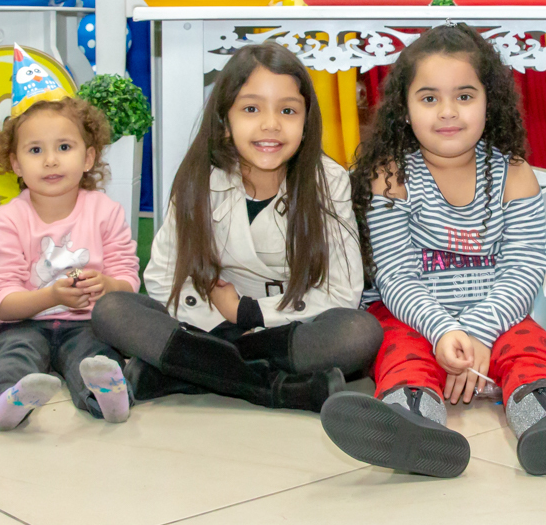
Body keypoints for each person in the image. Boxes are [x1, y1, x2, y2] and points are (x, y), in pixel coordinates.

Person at [320, 24, 546, 478]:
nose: (448, 112)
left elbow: (524, 271)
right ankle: (410, 426)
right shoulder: (392, 176)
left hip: (498, 318)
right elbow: (396, 276)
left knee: (533, 349)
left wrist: (479, 333)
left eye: (465, 96)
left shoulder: (515, 175)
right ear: (404, 111)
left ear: (490, 102)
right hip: (414, 317)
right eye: (429, 98)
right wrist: (445, 332)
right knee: (399, 351)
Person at [92, 43, 381, 412]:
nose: (270, 124)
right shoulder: (198, 178)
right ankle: (279, 389)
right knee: (111, 310)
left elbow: (342, 292)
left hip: (286, 329)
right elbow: (165, 279)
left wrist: (248, 313)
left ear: (307, 124)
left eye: (288, 110)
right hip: (204, 327)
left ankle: (182, 372)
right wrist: (219, 324)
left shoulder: (330, 180)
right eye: (250, 109)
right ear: (225, 123)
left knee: (360, 331)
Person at [0, 47, 139, 430]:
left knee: (97, 357)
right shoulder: (4, 219)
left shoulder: (105, 210)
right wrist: (49, 298)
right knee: (12, 355)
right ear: (16, 163)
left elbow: (128, 278)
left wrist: (108, 286)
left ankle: (109, 399)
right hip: (22, 324)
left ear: (88, 157)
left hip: (86, 323)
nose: (50, 161)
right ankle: (6, 402)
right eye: (35, 150)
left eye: (64, 148)